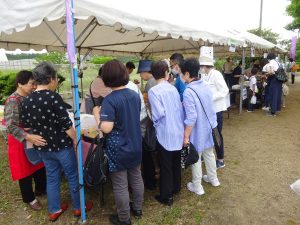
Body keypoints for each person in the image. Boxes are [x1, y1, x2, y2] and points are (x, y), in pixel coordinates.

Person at [21, 62, 92, 221]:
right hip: (62, 147)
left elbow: (26, 126)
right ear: (50, 79)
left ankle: (54, 209)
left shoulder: (27, 100)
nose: (57, 82)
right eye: (56, 79)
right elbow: (66, 124)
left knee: (52, 177)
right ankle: (78, 207)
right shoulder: (53, 97)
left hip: (44, 148)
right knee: (73, 175)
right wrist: (76, 139)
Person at [99, 60, 144, 225]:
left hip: (118, 149)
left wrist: (98, 115)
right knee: (136, 177)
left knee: (120, 184)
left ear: (107, 78)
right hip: (136, 144)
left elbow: (106, 128)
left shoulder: (110, 100)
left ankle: (124, 219)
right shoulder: (134, 94)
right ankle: (137, 208)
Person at [4, 70, 46, 211]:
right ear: (20, 84)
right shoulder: (12, 101)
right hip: (19, 139)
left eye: (35, 83)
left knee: (38, 164)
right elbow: (10, 126)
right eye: (31, 84)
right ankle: (30, 198)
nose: (34, 86)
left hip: (31, 136)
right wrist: (28, 137)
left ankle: (40, 189)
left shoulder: (29, 96)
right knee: (24, 171)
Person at [181, 58, 220, 196]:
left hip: (197, 130)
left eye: (181, 73)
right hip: (209, 126)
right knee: (209, 153)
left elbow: (191, 117)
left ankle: (197, 186)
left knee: (196, 157)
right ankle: (213, 179)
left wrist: (185, 136)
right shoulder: (205, 85)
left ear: (186, 74)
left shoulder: (188, 92)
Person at [148, 60, 184, 206]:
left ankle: (166, 196)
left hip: (165, 131)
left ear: (153, 74)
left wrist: (153, 120)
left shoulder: (153, 91)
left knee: (165, 165)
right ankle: (176, 187)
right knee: (176, 161)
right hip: (178, 128)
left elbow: (158, 114)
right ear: (166, 73)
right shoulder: (172, 88)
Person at [200, 56, 229, 169]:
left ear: (205, 66)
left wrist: (210, 97)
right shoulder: (206, 75)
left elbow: (224, 90)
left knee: (216, 134)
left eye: (201, 66)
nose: (201, 68)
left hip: (216, 109)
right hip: (208, 110)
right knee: (208, 133)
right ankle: (207, 155)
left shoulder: (216, 74)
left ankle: (220, 159)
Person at [137, 59, 157, 190]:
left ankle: (150, 180)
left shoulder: (150, 83)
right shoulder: (156, 80)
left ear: (145, 72)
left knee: (148, 150)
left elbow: (149, 103)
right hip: (154, 120)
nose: (140, 76)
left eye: (140, 73)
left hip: (150, 120)